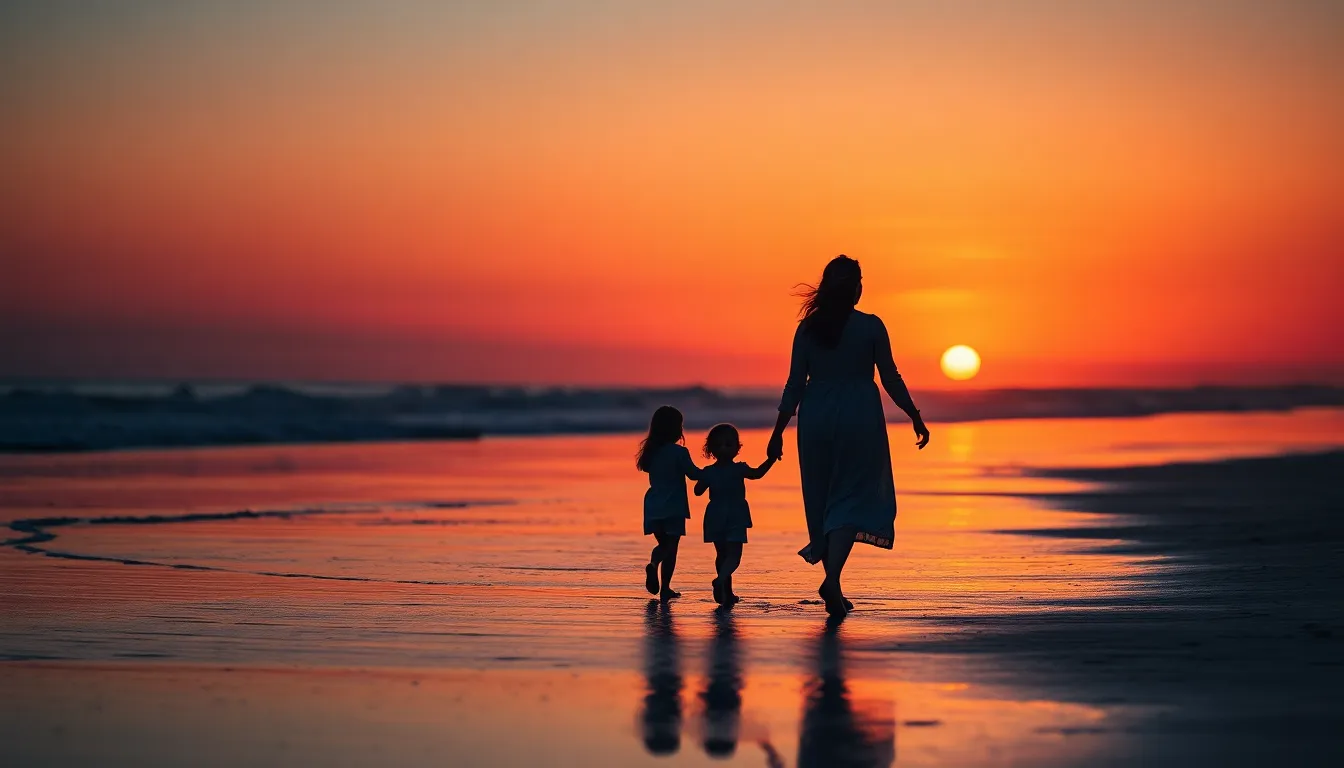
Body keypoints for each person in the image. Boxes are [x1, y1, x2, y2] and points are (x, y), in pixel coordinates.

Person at [766, 255, 930, 616]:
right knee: (852, 497)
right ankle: (833, 580)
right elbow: (890, 378)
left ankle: (835, 588)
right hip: (859, 415)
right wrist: (914, 415)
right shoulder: (871, 326)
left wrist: (778, 431)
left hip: (816, 416)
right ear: (855, 288)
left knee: (823, 497)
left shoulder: (808, 329)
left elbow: (794, 384)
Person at [693, 423, 776, 605]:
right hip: (735, 515)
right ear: (711, 450)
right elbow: (757, 474)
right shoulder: (739, 469)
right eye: (719, 445)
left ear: (738, 447)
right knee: (734, 556)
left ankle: (726, 592)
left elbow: (697, 491)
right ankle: (721, 582)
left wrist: (703, 477)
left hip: (715, 515)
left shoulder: (709, 472)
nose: (724, 448)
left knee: (722, 554)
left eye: (728, 444)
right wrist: (770, 460)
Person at [637, 405, 703, 600]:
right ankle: (664, 584)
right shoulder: (679, 453)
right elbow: (693, 474)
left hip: (653, 506)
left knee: (662, 544)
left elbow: (648, 469)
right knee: (671, 548)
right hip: (673, 506)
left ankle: (654, 565)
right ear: (675, 429)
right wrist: (712, 473)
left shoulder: (651, 453)